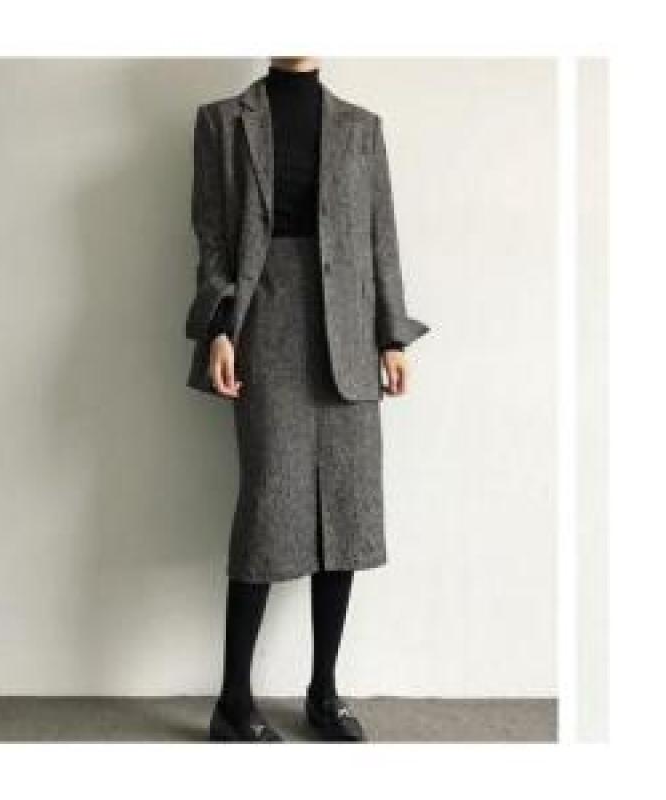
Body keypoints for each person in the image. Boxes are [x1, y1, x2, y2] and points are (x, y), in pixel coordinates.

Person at [183, 57, 429, 742]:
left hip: (347, 333)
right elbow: (212, 237)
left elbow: (381, 238)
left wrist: (392, 335)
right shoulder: (220, 122)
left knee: (347, 510)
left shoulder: (362, 128)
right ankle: (233, 702)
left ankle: (324, 692)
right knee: (268, 508)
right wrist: (220, 328)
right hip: (265, 324)